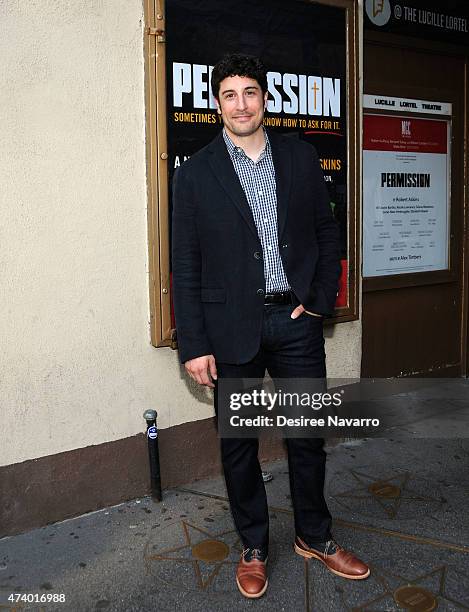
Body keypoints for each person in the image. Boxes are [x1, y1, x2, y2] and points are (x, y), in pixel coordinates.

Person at [172, 53, 369, 599]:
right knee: (238, 442)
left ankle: (315, 535)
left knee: (307, 436)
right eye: (230, 94)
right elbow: (184, 264)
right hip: (228, 327)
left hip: (295, 321)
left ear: (266, 100)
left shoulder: (302, 158)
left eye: (251, 93)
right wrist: (194, 343)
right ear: (217, 104)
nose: (241, 104)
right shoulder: (195, 174)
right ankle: (254, 546)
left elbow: (328, 233)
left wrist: (319, 299)